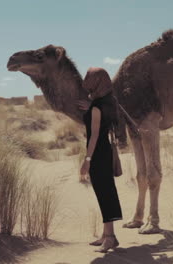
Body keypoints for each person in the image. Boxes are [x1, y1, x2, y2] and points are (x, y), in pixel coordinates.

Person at [77, 67, 122, 253]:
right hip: (105, 151)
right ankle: (106, 235)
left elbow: (94, 135)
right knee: (106, 191)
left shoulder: (97, 107)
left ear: (97, 81)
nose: (87, 80)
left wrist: (87, 160)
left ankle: (110, 237)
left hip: (97, 154)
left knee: (104, 193)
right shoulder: (108, 102)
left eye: (90, 77)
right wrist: (91, 107)